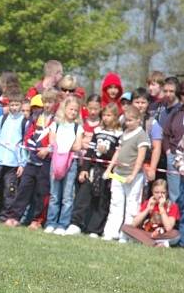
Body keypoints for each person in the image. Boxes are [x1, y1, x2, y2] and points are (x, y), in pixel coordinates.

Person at [66, 102, 121, 237]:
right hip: (93, 168)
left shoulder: (119, 134)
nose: (106, 118)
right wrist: (84, 169)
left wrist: (107, 152)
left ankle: (95, 229)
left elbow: (116, 154)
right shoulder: (98, 131)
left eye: (109, 115)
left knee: (102, 200)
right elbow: (90, 151)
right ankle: (76, 224)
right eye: (105, 115)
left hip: (106, 171)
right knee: (83, 196)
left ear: (115, 116)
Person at [4, 90, 57, 229]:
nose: (47, 105)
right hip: (32, 160)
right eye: (45, 102)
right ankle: (15, 216)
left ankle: (37, 220)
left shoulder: (56, 120)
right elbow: (28, 137)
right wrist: (34, 147)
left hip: (46, 162)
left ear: (55, 104)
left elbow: (56, 142)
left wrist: (47, 149)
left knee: (42, 192)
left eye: (50, 102)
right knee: (23, 189)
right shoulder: (36, 118)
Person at [102, 104, 150, 242]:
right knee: (116, 203)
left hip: (133, 176)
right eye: (126, 120)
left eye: (130, 120)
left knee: (131, 206)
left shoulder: (141, 135)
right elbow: (118, 152)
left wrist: (133, 175)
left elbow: (141, 157)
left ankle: (127, 235)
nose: (127, 123)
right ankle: (111, 232)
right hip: (118, 174)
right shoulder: (125, 133)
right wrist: (109, 168)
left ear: (138, 120)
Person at [44, 94, 83, 234]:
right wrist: (65, 146)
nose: (73, 112)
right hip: (56, 162)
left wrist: (64, 146)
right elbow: (52, 142)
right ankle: (51, 222)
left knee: (67, 196)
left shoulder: (77, 128)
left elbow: (78, 146)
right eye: (71, 109)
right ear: (64, 108)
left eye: (75, 110)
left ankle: (62, 224)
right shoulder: (56, 125)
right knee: (54, 194)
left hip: (71, 163)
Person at [0, 93, 26, 220]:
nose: (14, 107)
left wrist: (22, 163)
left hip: (13, 162)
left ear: (21, 105)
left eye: (16, 105)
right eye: (11, 105)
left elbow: (24, 144)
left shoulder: (24, 121)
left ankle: (5, 214)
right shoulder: (3, 119)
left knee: (10, 189)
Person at [121, 179, 180, 247]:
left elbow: (168, 228)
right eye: (156, 192)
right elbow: (134, 223)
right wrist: (147, 209)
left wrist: (161, 208)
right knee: (125, 227)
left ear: (167, 193)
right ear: (152, 192)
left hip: (162, 235)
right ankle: (154, 244)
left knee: (176, 234)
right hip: (147, 233)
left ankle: (147, 242)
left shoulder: (173, 206)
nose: (160, 195)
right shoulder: (148, 203)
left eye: (163, 192)